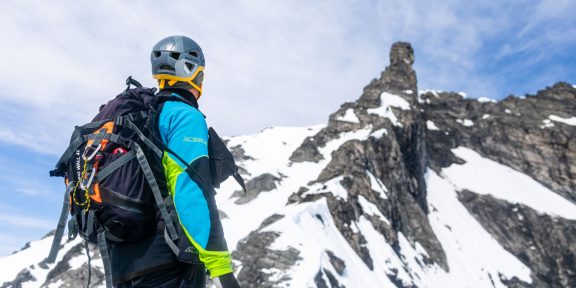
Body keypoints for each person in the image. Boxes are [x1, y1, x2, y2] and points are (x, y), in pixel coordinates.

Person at [111, 35, 240, 288]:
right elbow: (190, 188)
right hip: (167, 261)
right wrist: (222, 270)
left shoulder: (145, 115)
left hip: (124, 261)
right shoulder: (184, 115)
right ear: (192, 72)